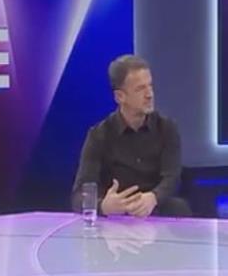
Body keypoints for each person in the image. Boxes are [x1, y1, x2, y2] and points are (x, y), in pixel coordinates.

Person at [72, 54, 191, 217]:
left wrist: (153, 197)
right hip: (116, 218)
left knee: (179, 207)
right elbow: (80, 194)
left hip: (155, 210)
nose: (149, 94)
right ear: (120, 97)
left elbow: (172, 178)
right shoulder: (99, 135)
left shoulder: (166, 128)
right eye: (140, 89)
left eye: (150, 86)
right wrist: (103, 206)